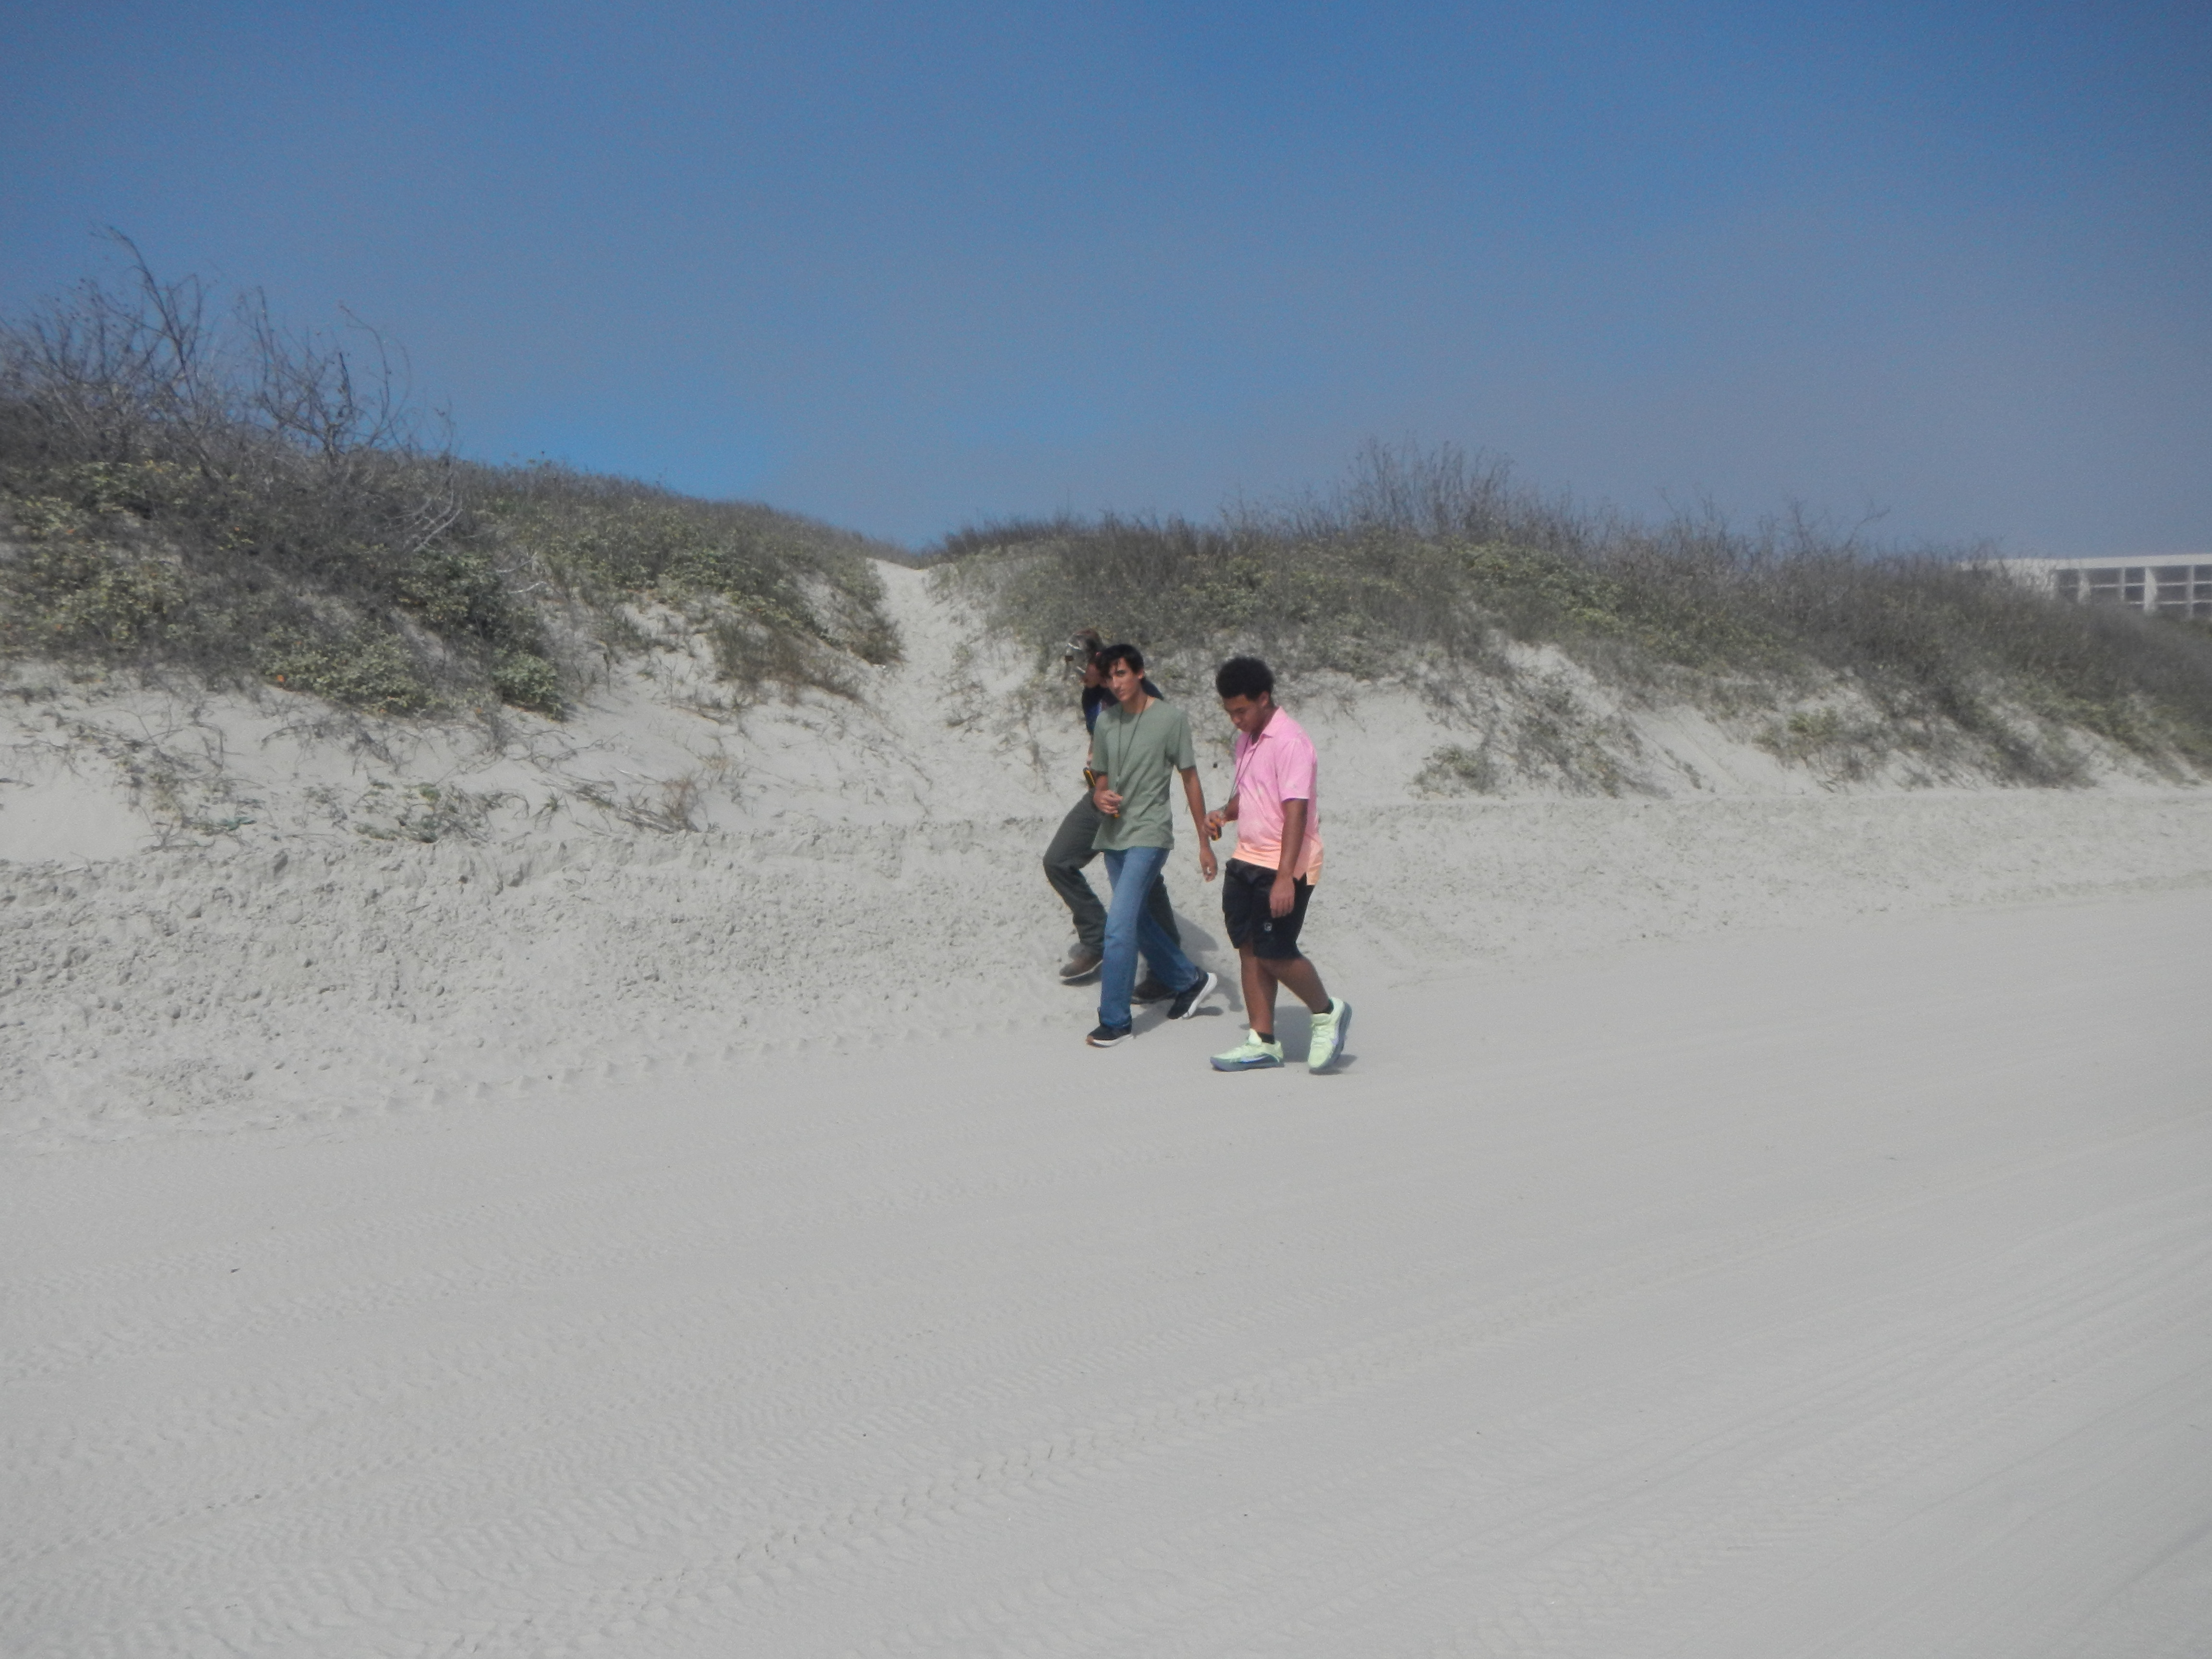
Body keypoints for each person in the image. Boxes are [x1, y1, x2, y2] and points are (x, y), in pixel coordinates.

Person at [1202, 656, 1351, 1073]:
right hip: (1245, 858)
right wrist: (1224, 814)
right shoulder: (1247, 740)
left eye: (1242, 711)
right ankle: (1262, 1041)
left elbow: (1296, 811)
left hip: (1284, 864)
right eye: (1230, 712)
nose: (1236, 720)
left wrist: (1286, 876)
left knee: (1275, 952)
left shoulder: (1291, 741)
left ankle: (1327, 1012)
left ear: (1264, 699)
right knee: (1249, 948)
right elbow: (1252, 793)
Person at [1084, 642, 1220, 1047]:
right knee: (1136, 921)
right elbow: (1100, 776)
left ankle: (1116, 1022)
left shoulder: (1171, 719)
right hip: (1114, 835)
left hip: (1150, 834)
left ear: (1140, 673)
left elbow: (1190, 778)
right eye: (1110, 677)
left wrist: (1204, 843)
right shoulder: (1106, 722)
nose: (1116, 683)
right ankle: (1189, 980)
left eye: (1122, 673)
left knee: (1118, 927)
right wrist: (1099, 795)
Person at [1042, 631, 1182, 998]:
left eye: (1081, 669)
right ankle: (1096, 939)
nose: (1078, 679)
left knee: (1145, 882)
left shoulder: (1138, 692)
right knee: (1058, 861)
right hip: (1101, 795)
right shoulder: (1092, 696)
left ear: (1099, 660)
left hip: (1137, 802)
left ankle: (1169, 972)